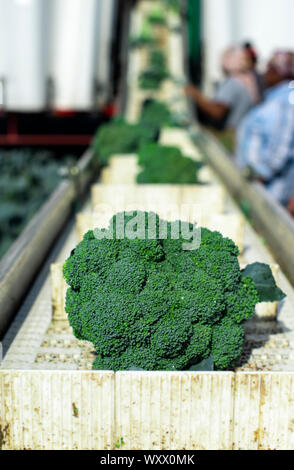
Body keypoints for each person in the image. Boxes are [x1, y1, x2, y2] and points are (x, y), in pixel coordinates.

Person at [236, 51, 294, 209]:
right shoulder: (276, 97)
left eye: (269, 69)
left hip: (272, 192)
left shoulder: (288, 100)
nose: (265, 74)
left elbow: (281, 148)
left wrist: (261, 174)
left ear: (279, 72)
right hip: (262, 187)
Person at [184, 46, 261, 131]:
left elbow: (217, 112)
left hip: (231, 135)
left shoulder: (233, 83)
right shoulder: (249, 80)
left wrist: (196, 95)